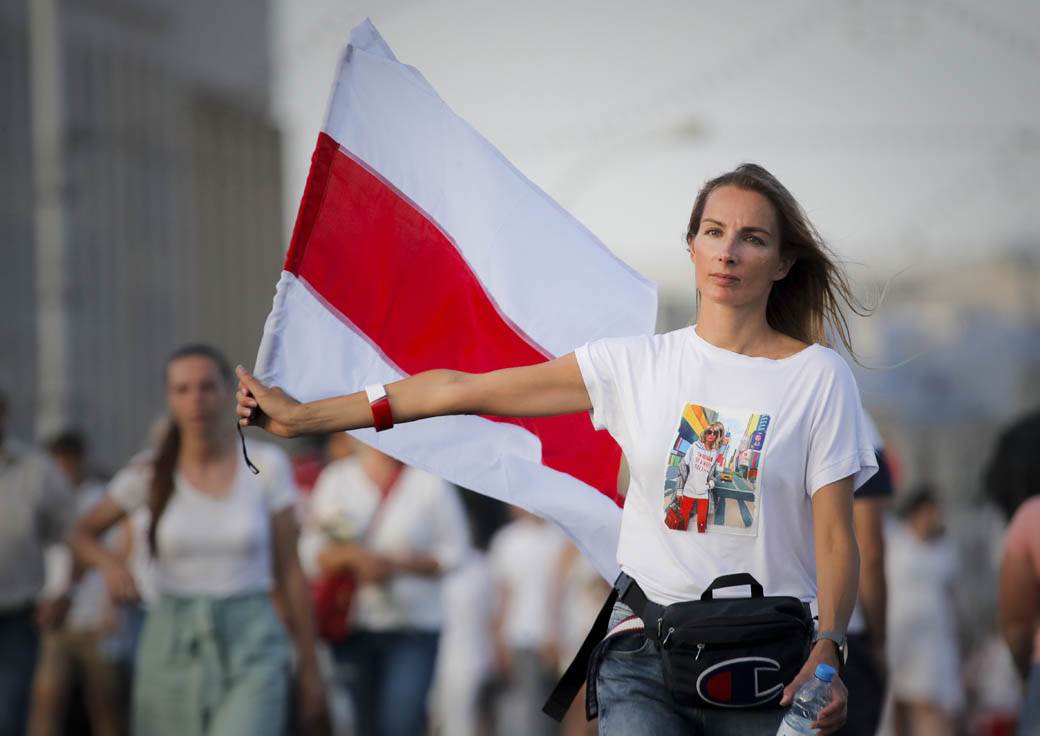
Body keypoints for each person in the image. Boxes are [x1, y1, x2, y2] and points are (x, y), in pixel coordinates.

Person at [235, 163, 878, 735]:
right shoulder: (635, 365)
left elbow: (833, 539)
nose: (728, 252)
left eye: (753, 238)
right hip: (644, 652)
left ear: (784, 262)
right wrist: (305, 417)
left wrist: (830, 648)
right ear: (691, 245)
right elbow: (461, 389)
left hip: (765, 661)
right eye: (714, 232)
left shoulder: (817, 377)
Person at [70, 344, 327, 735]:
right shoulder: (149, 471)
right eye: (183, 389)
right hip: (172, 636)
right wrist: (109, 565)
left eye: (207, 387)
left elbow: (291, 571)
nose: (197, 400)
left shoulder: (266, 466)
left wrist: (310, 668)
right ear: (169, 398)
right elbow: (81, 532)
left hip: (252, 636)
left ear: (228, 392)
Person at [303, 442, 468, 736]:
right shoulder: (338, 478)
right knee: (361, 723)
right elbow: (310, 552)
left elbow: (455, 552)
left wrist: (397, 564)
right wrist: (352, 559)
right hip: (352, 624)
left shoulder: (428, 482)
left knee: (401, 721)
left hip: (413, 625)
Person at [30, 431, 125, 736]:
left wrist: (111, 606)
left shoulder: (101, 499)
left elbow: (111, 554)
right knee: (47, 700)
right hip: (54, 621)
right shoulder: (45, 499)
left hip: (94, 618)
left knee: (104, 702)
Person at [0, 391, 75, 736]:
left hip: (18, 616)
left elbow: (72, 535)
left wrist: (61, 591)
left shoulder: (36, 470)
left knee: (8, 714)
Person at [835, 415, 895, 736]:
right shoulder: (858, 425)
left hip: (771, 623)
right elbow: (870, 548)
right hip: (843, 633)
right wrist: (880, 638)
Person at [886, 486, 962, 736]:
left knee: (930, 707)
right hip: (899, 637)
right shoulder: (895, 540)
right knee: (895, 708)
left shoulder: (946, 549)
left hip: (934, 643)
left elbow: (951, 597)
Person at [487, 507, 567, 736]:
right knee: (529, 711)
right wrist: (497, 640)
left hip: (552, 638)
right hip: (521, 636)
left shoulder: (558, 539)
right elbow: (502, 596)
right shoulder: (507, 540)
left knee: (545, 714)